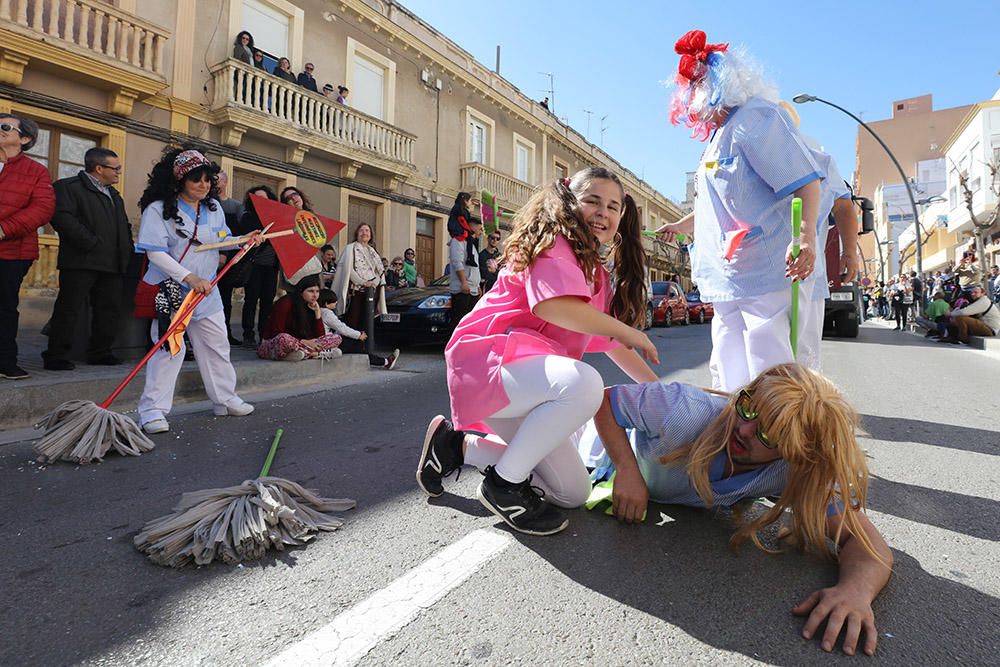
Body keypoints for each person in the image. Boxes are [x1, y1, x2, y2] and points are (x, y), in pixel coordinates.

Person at [580, 363, 892, 657]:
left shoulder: (793, 473)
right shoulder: (682, 410)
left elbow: (867, 545)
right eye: (748, 407)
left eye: (769, 434)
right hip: (586, 448)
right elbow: (604, 399)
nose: (743, 430)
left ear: (797, 452)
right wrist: (627, 470)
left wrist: (856, 591)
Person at [415, 167, 660, 536]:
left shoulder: (596, 273)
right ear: (569, 202)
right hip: (488, 364)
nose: (602, 213)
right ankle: (503, 486)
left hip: (525, 386)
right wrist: (631, 332)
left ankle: (455, 446)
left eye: (612, 206)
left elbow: (611, 344)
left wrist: (665, 392)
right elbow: (554, 307)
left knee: (572, 492)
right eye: (592, 200)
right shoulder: (553, 242)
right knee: (585, 386)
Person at [656, 30, 826, 392]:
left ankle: (774, 439)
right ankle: (734, 432)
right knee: (727, 366)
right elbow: (720, 203)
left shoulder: (756, 118)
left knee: (768, 365)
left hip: (762, 272)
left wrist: (805, 236)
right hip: (725, 277)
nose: (687, 99)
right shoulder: (720, 135)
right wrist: (683, 225)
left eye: (692, 86)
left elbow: (805, 182)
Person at [134, 148, 255, 434]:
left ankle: (225, 399)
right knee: (169, 351)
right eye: (196, 180)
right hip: (173, 292)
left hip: (207, 292)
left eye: (207, 179)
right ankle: (152, 411)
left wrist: (244, 240)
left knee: (217, 346)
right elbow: (155, 253)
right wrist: (188, 277)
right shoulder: (158, 209)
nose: (203, 185)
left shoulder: (213, 209)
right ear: (179, 182)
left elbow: (222, 239)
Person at [43, 147, 132, 370]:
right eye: (116, 168)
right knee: (69, 308)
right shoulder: (68, 187)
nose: (119, 173)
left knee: (108, 309)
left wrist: (127, 247)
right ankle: (55, 355)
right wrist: (91, 243)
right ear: (99, 168)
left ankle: (100, 352)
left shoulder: (114, 195)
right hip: (81, 261)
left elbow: (124, 226)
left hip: (113, 263)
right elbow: (62, 219)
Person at [0, 113, 55, 380]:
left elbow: (43, 209)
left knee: (5, 305)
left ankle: (5, 361)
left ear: (24, 139)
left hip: (12, 251)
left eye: (4, 127)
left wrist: (4, 229)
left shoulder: (36, 171)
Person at [257, 274, 342, 361]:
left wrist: (317, 313)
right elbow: (276, 333)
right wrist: (304, 342)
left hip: (302, 345)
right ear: (301, 291)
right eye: (311, 291)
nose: (315, 295)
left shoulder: (312, 305)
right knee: (284, 338)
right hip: (274, 345)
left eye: (317, 291)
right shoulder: (285, 303)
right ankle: (315, 353)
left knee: (336, 338)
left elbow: (319, 336)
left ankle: (304, 353)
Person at [238, 185, 280, 348]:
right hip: (254, 265)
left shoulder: (276, 218)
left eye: (264, 198)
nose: (261, 201)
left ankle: (265, 334)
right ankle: (248, 335)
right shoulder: (248, 217)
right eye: (257, 198)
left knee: (268, 302)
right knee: (251, 300)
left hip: (271, 267)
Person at [318, 289, 399, 369]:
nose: (336, 302)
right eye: (334, 301)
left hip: (326, 341)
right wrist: (359, 335)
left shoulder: (320, 311)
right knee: (356, 343)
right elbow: (342, 328)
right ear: (326, 304)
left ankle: (383, 361)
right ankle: (384, 362)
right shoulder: (327, 313)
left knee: (355, 344)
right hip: (327, 344)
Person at [331, 223, 387, 331]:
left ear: (370, 235)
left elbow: (378, 271)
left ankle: (364, 345)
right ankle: (351, 344)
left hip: (372, 290)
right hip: (355, 291)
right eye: (361, 230)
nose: (364, 233)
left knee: (367, 322)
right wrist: (362, 282)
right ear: (357, 233)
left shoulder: (373, 251)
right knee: (353, 321)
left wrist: (374, 283)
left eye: (367, 231)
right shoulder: (350, 248)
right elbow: (348, 269)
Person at [215, 172, 244, 346]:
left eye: (217, 180)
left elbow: (231, 233)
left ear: (225, 182)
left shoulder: (235, 206)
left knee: (225, 298)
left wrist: (225, 254)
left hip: (227, 259)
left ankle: (226, 334)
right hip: (209, 258)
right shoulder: (206, 204)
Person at [448, 216, 483, 325]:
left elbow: (474, 268)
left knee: (470, 323)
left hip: (472, 290)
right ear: (472, 227)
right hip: (462, 290)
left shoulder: (471, 245)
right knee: (459, 321)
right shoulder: (458, 241)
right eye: (480, 229)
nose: (481, 232)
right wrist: (464, 283)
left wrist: (477, 286)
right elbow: (457, 262)